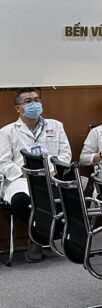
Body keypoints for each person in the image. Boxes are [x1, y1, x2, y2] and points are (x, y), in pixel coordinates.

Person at [0, 87, 73, 262]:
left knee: (63, 198)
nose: (35, 104)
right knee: (20, 201)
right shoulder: (6, 132)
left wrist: (55, 168)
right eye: (28, 101)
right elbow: (3, 161)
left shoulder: (56, 125)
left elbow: (65, 154)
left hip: (51, 176)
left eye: (37, 100)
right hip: (20, 180)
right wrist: (24, 174)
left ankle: (37, 239)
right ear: (18, 108)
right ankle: (43, 236)